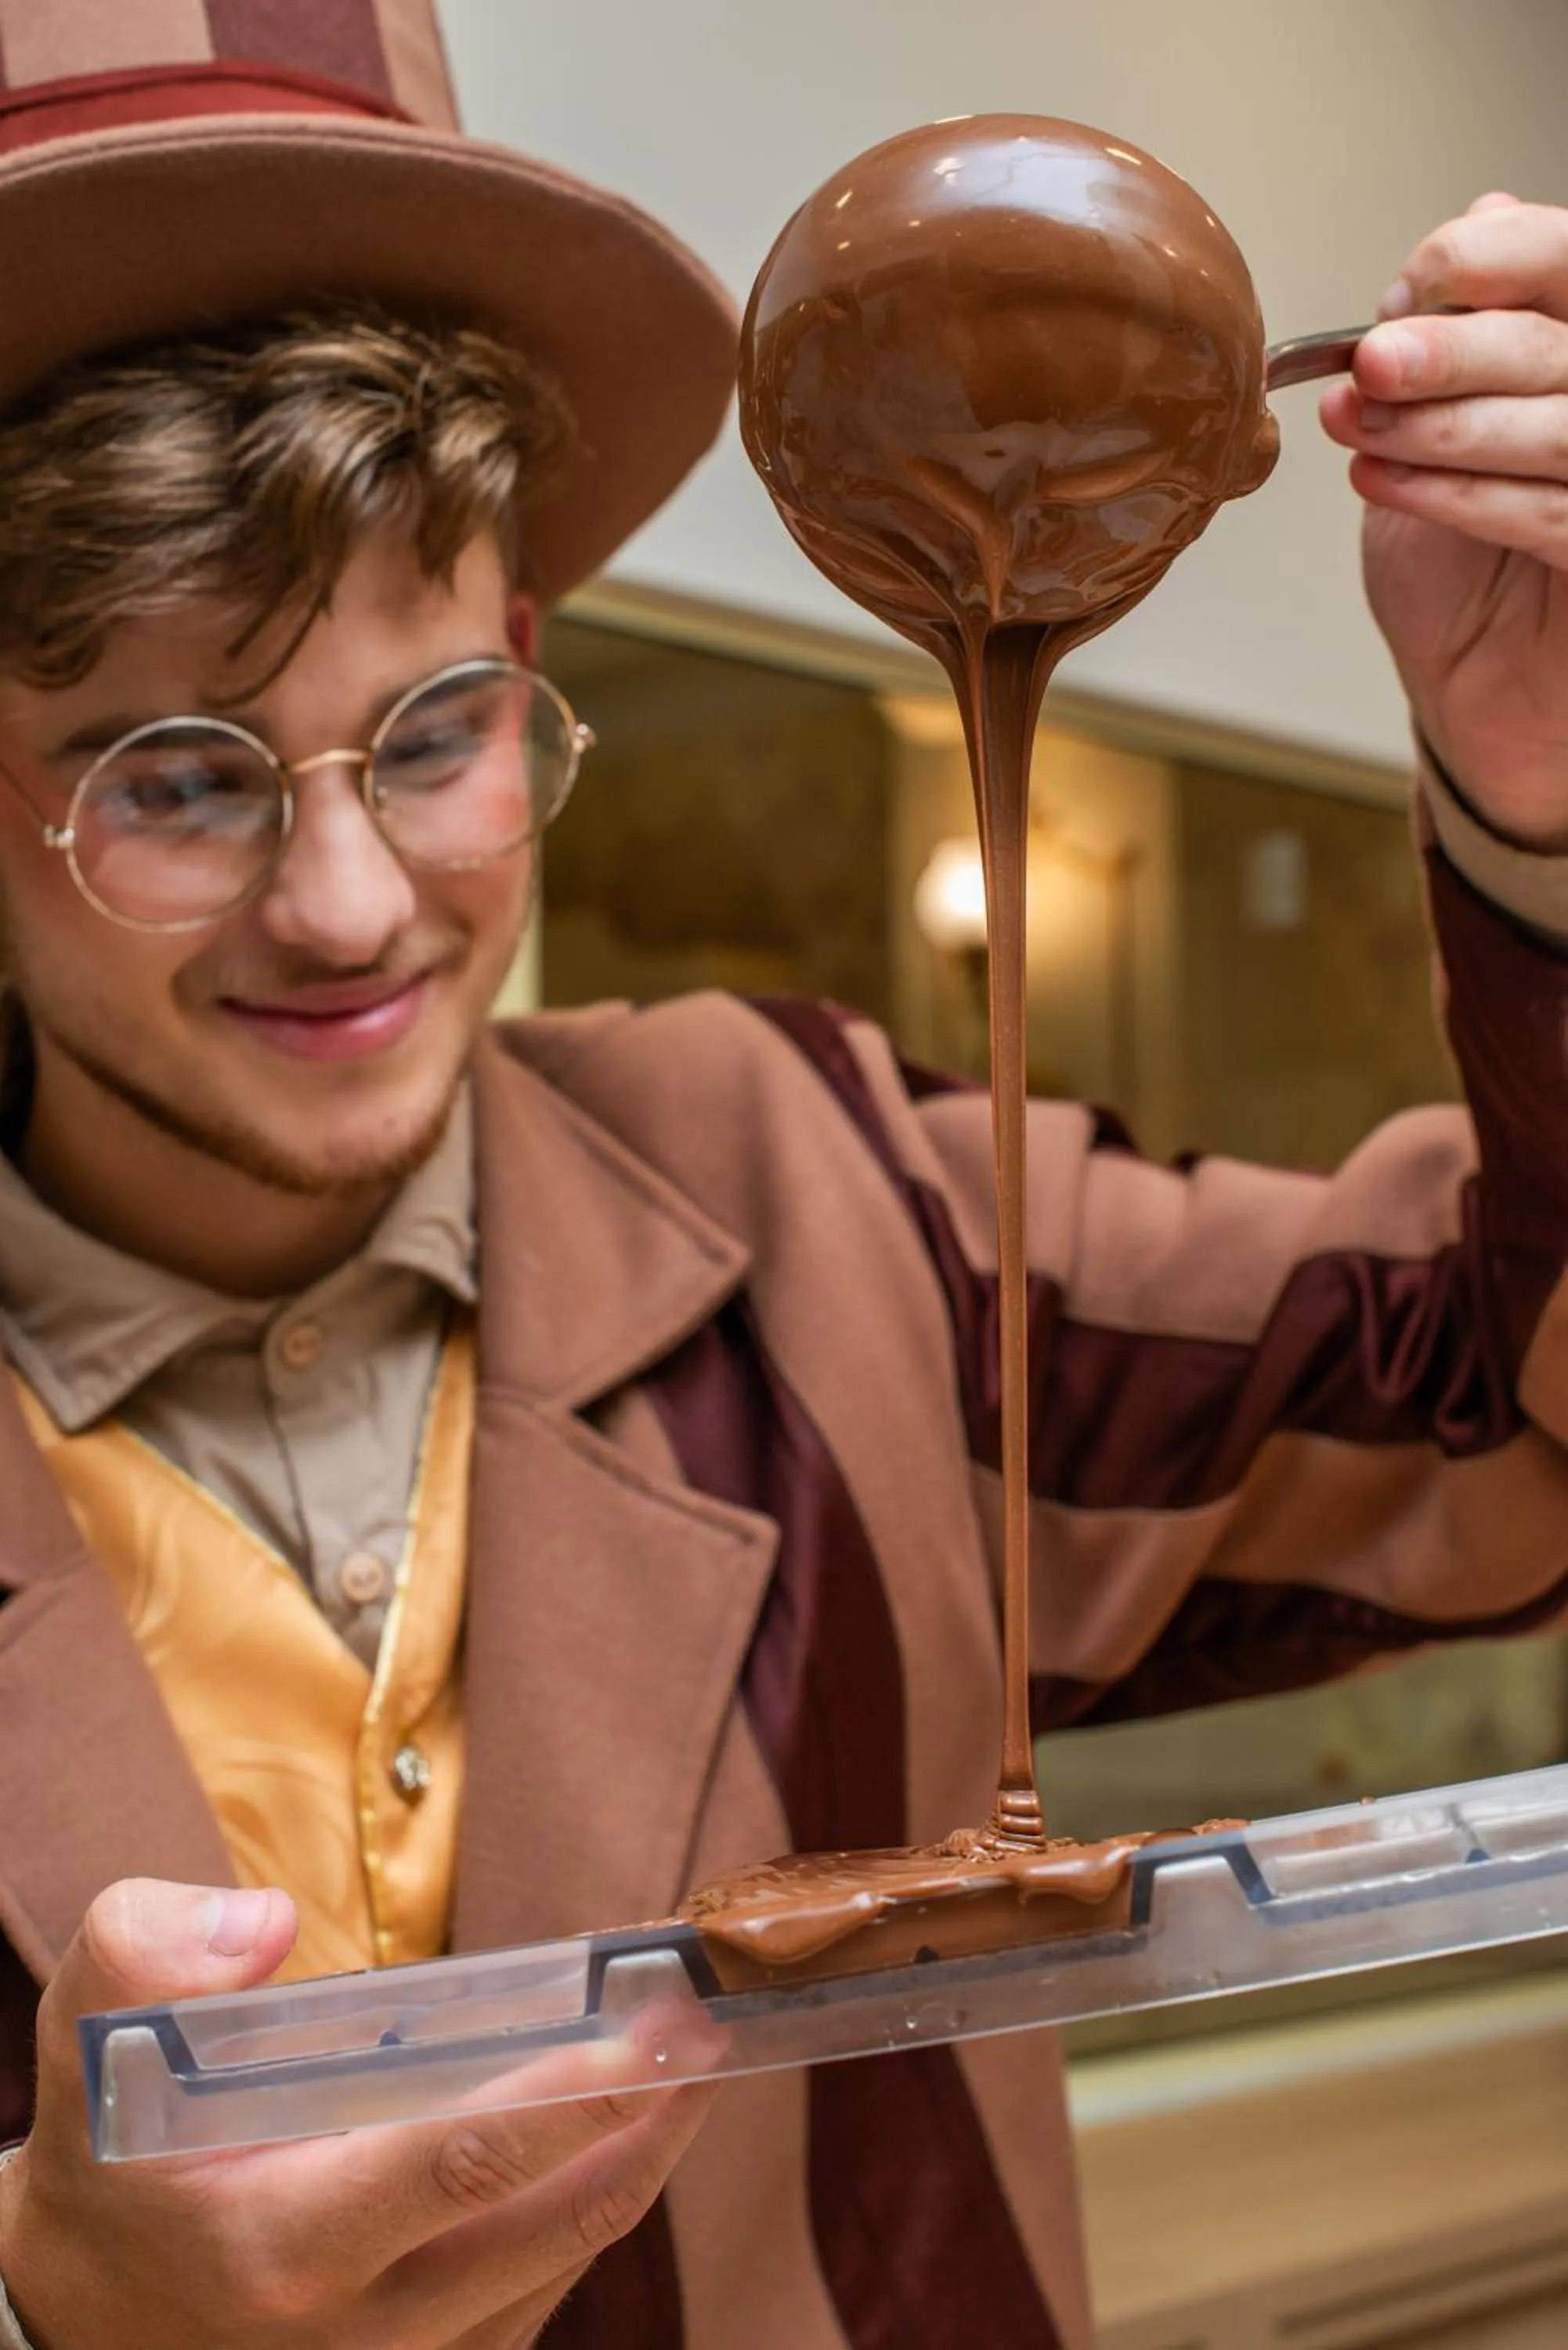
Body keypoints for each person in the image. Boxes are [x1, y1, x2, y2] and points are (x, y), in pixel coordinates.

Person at [0, 10, 1566, 2350]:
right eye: (175, 778)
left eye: (433, 738)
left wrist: (1541, 810)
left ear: (527, 659)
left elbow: (1509, 1416)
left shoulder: (841, 1199)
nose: (347, 910)